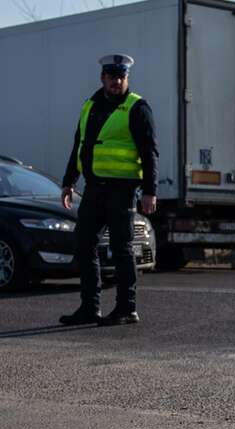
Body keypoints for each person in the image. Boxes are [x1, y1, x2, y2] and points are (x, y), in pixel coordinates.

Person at [57, 53, 159, 327]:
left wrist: (150, 190)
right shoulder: (90, 105)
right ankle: (90, 308)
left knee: (121, 247)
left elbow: (149, 153)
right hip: (94, 188)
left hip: (122, 189)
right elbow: (79, 145)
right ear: (102, 77)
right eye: (112, 77)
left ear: (127, 78)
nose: (117, 82)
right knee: (84, 243)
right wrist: (68, 182)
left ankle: (127, 308)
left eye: (122, 77)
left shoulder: (138, 108)